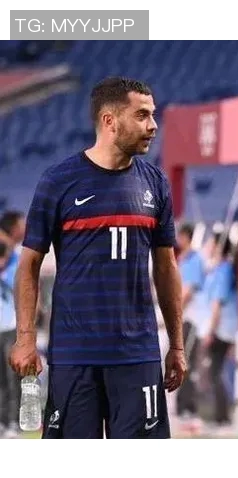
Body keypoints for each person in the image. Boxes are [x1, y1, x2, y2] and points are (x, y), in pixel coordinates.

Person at [9, 76, 187, 439]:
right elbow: (28, 266)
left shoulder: (155, 183)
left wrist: (177, 345)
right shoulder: (58, 181)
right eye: (142, 115)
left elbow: (166, 268)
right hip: (75, 356)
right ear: (110, 121)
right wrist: (25, 338)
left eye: (152, 114)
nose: (153, 125)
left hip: (137, 355)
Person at [198, 231, 238, 428]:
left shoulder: (224, 271)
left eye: (210, 243)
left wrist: (210, 331)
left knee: (215, 372)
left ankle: (221, 417)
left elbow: (217, 304)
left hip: (221, 329)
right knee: (214, 372)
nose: (207, 247)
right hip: (216, 327)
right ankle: (220, 415)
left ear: (218, 246)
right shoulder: (215, 270)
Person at [175, 222, 205, 418]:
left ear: (186, 237)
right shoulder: (182, 259)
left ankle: (188, 407)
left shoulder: (194, 260)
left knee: (186, 362)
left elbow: (188, 291)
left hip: (192, 318)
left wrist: (175, 313)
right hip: (183, 318)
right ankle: (181, 405)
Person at [0, 241, 20, 438]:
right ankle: (2, 420)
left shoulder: (14, 268)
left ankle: (13, 421)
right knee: (1, 379)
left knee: (12, 377)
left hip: (11, 329)